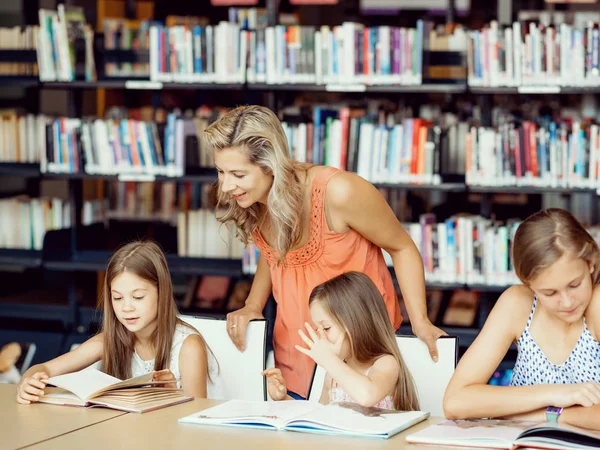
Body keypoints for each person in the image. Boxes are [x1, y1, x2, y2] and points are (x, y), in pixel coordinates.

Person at [204, 105, 445, 399]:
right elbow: (275, 254)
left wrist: (420, 321)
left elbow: (402, 247)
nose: (226, 186)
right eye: (220, 171)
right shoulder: (254, 199)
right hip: (295, 356)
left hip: (359, 356)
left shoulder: (339, 192)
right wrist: (253, 304)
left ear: (271, 165)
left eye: (238, 174)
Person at [443, 208, 600, 431]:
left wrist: (551, 415)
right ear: (529, 284)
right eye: (550, 293)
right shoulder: (518, 303)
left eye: (574, 285)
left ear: (591, 264)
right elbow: (455, 402)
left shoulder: (597, 305)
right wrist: (555, 394)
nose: (567, 302)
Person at [16, 241, 222, 403]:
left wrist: (171, 398)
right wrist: (29, 381)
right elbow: (45, 368)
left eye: (138, 297)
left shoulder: (188, 346)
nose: (126, 308)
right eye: (117, 297)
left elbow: (196, 418)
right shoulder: (111, 340)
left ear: (162, 293)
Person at [263, 272, 419, 410]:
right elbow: (318, 415)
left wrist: (329, 361)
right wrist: (283, 398)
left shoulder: (386, 363)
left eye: (326, 328)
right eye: (318, 330)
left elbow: (367, 396)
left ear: (356, 323)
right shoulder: (333, 374)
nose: (321, 338)